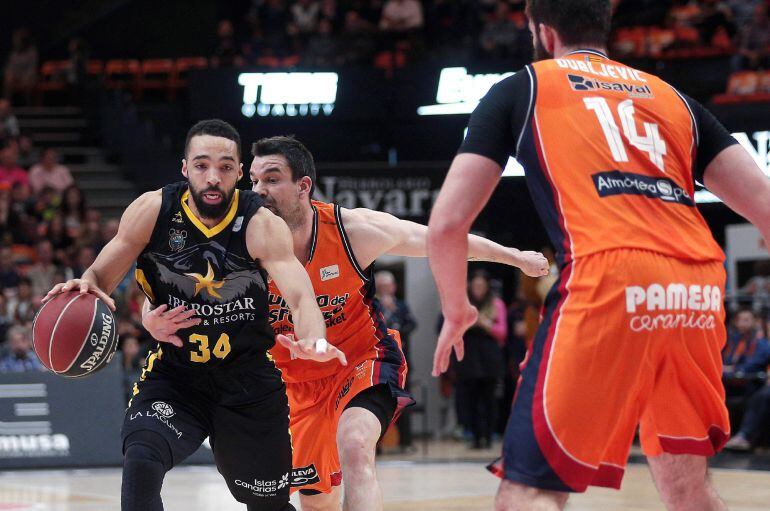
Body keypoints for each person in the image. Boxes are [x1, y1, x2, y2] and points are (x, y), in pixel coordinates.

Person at [427, 0, 770, 509]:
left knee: (527, 491)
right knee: (687, 487)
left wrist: (457, 309)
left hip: (611, 275)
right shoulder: (672, 97)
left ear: (542, 32)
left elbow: (447, 224)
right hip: (696, 286)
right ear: (604, 27)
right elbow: (764, 202)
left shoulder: (523, 86)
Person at [143, 134, 548, 511]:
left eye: (272, 178)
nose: (259, 190)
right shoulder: (235, 244)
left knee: (356, 445)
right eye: (254, 179)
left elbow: (437, 239)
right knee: (318, 501)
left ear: (303, 186)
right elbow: (165, 290)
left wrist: (514, 256)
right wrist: (151, 320)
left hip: (358, 360)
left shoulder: (352, 231)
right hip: (287, 386)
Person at [43, 119, 345, 511]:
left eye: (224, 166)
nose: (213, 177)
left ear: (240, 172)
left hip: (247, 382)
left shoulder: (260, 224)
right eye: (202, 165)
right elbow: (101, 273)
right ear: (185, 169)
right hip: (177, 376)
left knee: (266, 503)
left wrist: (314, 339)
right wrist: (85, 285)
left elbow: (302, 297)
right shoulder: (153, 210)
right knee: (142, 458)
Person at [455, 270, 507, 450]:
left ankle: (488, 435)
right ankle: (475, 436)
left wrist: (485, 323)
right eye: (475, 285)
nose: (478, 289)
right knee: (471, 399)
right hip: (469, 357)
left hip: (489, 357)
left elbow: (502, 333)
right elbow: (451, 328)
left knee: (489, 399)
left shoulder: (496, 304)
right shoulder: (463, 304)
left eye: (481, 285)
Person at [374, 270, 417, 451]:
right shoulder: (372, 304)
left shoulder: (401, 305)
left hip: (401, 361)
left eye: (387, 286)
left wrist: (392, 309)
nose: (384, 289)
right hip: (378, 362)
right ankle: (378, 444)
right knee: (378, 401)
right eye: (381, 286)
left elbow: (412, 324)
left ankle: (406, 442)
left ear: (393, 287)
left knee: (404, 400)